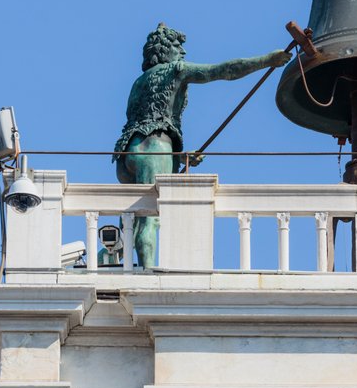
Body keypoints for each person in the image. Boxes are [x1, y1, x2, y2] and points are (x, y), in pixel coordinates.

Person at [114, 22, 290, 267]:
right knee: (150, 219)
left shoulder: (138, 83)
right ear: (164, 50)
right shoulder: (176, 70)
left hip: (126, 154)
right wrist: (267, 60)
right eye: (177, 46)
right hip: (155, 148)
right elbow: (225, 70)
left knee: (131, 219)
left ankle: (108, 256)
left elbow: (143, 121)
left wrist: (178, 157)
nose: (183, 52)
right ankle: (148, 273)